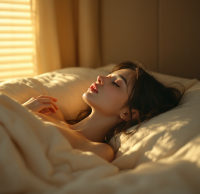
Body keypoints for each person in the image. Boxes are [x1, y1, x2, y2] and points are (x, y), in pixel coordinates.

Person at [22, 61, 185, 162]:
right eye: (109, 75)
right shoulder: (49, 110)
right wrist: (22, 111)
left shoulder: (101, 151)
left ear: (128, 113)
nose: (100, 77)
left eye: (116, 83)